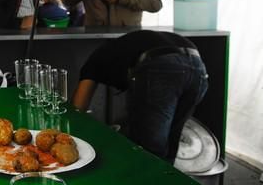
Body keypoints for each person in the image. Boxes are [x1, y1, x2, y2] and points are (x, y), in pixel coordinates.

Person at [72, 30, 208, 163]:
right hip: (198, 66)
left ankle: (146, 183)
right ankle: (165, 182)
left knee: (149, 148)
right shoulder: (124, 48)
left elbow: (77, 110)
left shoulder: (93, 63)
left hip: (160, 66)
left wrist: (70, 135)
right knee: (172, 141)